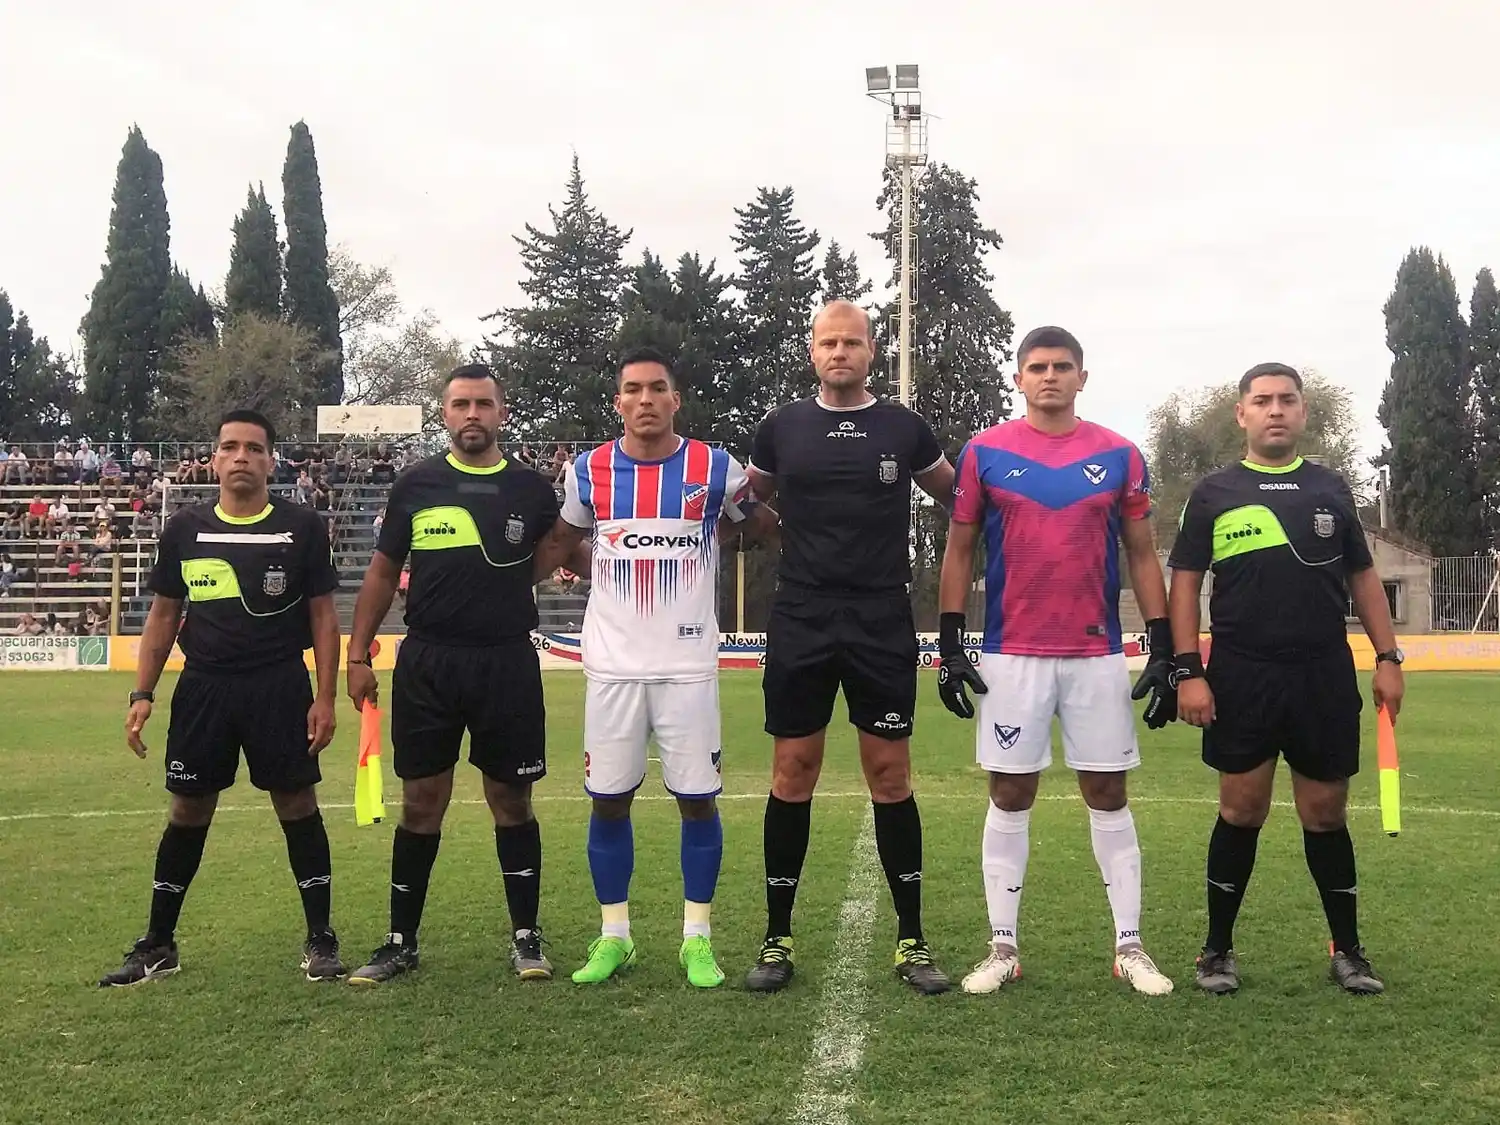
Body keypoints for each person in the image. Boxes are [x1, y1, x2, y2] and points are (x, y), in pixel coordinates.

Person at [935, 325, 1176, 997]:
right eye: (1037, 367)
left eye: (1062, 366)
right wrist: (951, 644)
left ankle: (1130, 946)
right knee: (1010, 792)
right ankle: (1002, 946)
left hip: (1096, 654)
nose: (1050, 376)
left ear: (1081, 378)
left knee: (1108, 791)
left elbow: (1141, 552)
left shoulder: (1119, 454)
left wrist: (1162, 644)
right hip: (1011, 654)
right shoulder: (984, 451)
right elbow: (959, 549)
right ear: (1019, 379)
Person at [344, 363, 585, 985]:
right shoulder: (416, 483)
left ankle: (526, 937)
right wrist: (357, 654)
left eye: (482, 403)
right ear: (445, 413)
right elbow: (382, 571)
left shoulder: (531, 489)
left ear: (501, 412)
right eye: (460, 404)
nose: (472, 414)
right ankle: (400, 941)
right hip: (428, 661)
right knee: (421, 801)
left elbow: (566, 550)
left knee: (511, 798)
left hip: (506, 660)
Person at [1168, 363, 1404, 996]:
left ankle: (1347, 950)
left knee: (1325, 813)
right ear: (1241, 413)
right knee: (1241, 809)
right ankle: (1217, 951)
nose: (1275, 410)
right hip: (1241, 673)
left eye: (1287, 400)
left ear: (1302, 412)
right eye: (1263, 400)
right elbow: (1185, 584)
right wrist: (1188, 670)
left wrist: (1388, 657)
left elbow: (1363, 577)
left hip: (1322, 672)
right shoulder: (1213, 493)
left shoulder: (1331, 489)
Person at [741, 299, 956, 995]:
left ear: (871, 351)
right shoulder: (781, 427)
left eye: (852, 342)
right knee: (792, 771)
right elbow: (746, 502)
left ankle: (912, 939)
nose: (840, 352)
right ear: (812, 352)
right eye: (829, 342)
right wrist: (783, 536)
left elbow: (959, 497)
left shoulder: (904, 427)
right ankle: (777, 937)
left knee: (890, 774)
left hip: (880, 615)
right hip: (801, 614)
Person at [545, 346, 774, 988]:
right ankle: (614, 936)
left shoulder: (716, 468)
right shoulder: (588, 471)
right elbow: (564, 543)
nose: (644, 399)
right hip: (612, 670)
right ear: (618, 401)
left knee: (697, 803)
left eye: (656, 388)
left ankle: (696, 939)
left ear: (675, 399)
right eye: (633, 389)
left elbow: (756, 525)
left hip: (688, 668)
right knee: (608, 802)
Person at [98, 409, 343, 987]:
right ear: (213, 459)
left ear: (271, 461)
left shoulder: (302, 527)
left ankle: (321, 939)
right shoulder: (185, 529)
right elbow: (164, 615)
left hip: (280, 686)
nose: (241, 457)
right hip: (204, 688)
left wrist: (325, 697)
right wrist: (143, 692)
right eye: (230, 447)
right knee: (188, 808)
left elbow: (324, 618)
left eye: (254, 448)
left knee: (297, 804)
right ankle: (158, 944)